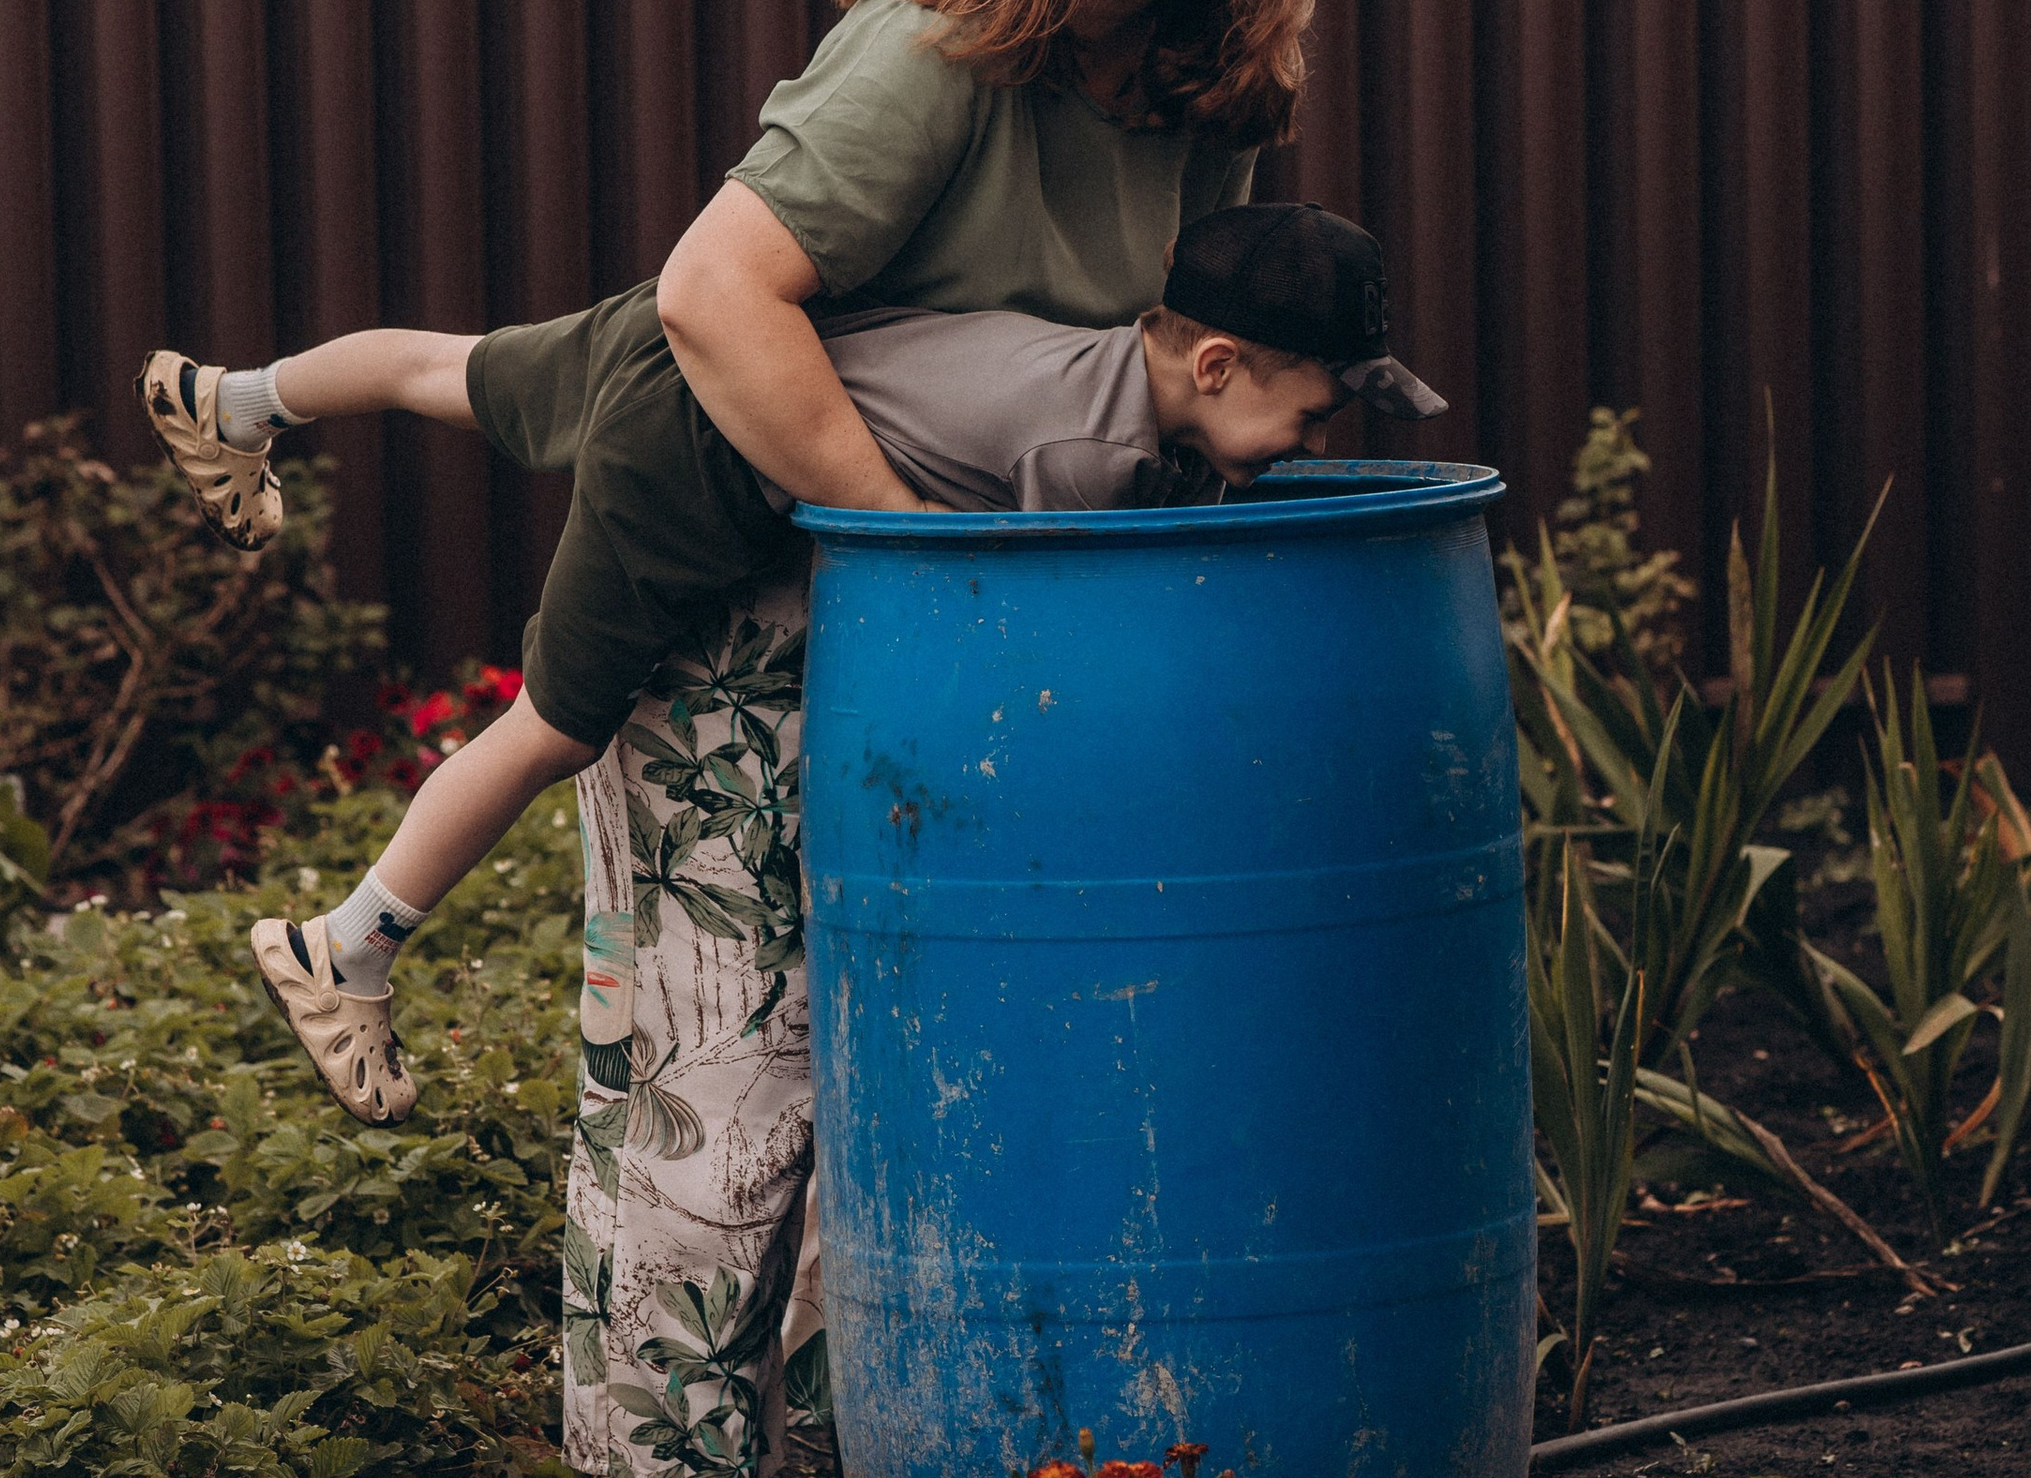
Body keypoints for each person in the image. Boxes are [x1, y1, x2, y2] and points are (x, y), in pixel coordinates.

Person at [152, 0, 1326, 1478]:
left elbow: (1163, 353)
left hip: (971, 615)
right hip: (772, 592)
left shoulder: (1199, 98)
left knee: (922, 1060)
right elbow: (716, 294)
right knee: (724, 1052)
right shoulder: (940, 49)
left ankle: (923, 1476)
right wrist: (884, 543)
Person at [143, 200, 1413, 1115]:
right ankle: (345, 944)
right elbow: (1034, 639)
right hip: (695, 451)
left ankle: (236, 400)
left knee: (451, 367)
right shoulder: (1096, 463)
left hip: (682, 338)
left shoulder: (1094, 364)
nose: (1310, 440)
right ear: (1214, 363)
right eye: (1311, 412)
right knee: (556, 724)